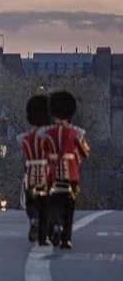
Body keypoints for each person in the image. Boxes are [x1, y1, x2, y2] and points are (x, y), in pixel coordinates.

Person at [43, 90, 90, 250]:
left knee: (51, 203)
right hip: (71, 173)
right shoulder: (75, 133)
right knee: (69, 206)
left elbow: (43, 153)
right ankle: (66, 239)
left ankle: (54, 225)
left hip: (53, 173)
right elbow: (85, 152)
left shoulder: (48, 133)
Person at [18, 94, 51, 245]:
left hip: (31, 171)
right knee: (45, 205)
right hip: (46, 171)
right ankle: (43, 237)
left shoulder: (26, 137)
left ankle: (33, 219)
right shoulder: (50, 136)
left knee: (31, 202)